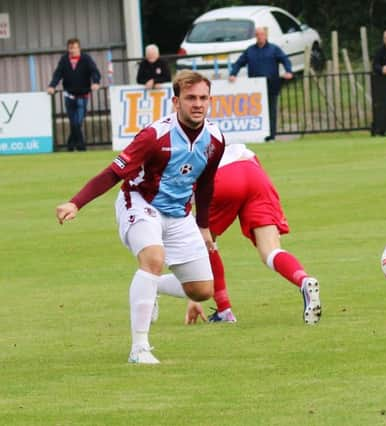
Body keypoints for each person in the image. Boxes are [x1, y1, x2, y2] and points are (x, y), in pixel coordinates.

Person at [55, 70, 225, 365]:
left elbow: (207, 183)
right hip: (139, 202)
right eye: (190, 98)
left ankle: (152, 286)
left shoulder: (216, 140)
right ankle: (139, 348)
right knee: (153, 259)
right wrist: (76, 203)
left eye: (203, 98)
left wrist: (203, 226)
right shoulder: (153, 136)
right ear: (176, 102)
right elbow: (113, 172)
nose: (197, 104)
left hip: (180, 214)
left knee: (202, 290)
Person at [153, 143, 321, 325]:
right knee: (271, 251)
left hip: (223, 178)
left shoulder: (172, 173)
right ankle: (304, 281)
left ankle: (224, 311)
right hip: (254, 172)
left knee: (206, 244)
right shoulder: (205, 144)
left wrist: (195, 297)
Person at [228, 27, 293, 142]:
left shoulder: (274, 49)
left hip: (271, 85)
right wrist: (233, 74)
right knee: (257, 112)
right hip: (255, 88)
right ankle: (258, 135)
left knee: (271, 111)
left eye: (262, 34)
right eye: (257, 34)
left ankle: (271, 136)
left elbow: (285, 60)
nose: (260, 37)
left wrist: (288, 71)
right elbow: (239, 63)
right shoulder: (250, 51)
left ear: (266, 35)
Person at [47, 38, 101, 151]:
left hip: (83, 96)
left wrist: (96, 82)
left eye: (75, 48)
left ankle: (79, 147)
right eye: (70, 48)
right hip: (69, 96)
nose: (72, 50)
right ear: (68, 48)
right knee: (73, 122)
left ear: (79, 48)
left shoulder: (86, 58)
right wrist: (52, 85)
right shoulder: (64, 59)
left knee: (77, 122)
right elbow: (58, 74)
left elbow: (94, 71)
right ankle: (72, 146)